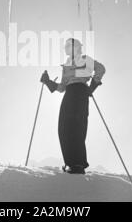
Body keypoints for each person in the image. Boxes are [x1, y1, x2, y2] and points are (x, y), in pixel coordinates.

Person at [40, 38, 106, 174]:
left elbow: (101, 68)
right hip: (69, 93)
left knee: (77, 125)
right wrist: (48, 82)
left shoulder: (85, 59)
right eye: (65, 47)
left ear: (76, 48)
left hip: (81, 91)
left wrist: (93, 85)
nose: (66, 49)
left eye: (68, 46)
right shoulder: (66, 66)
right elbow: (62, 87)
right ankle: (71, 163)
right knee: (63, 126)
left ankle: (78, 164)